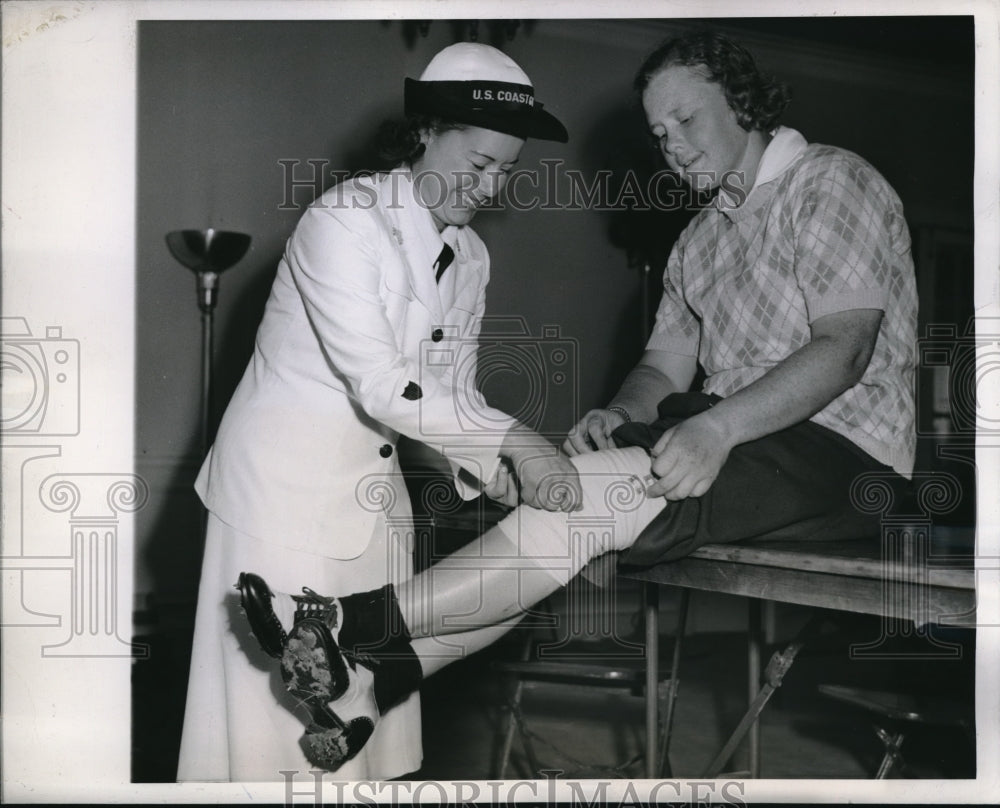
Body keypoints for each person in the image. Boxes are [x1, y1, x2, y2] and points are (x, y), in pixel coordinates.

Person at [234, 29, 918, 771]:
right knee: (562, 512)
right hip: (748, 445)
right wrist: (621, 416)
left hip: (847, 454)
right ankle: (373, 683)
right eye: (659, 133)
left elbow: (845, 348)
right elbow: (662, 365)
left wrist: (716, 429)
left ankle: (343, 623)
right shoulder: (698, 239)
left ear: (743, 103)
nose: (672, 145)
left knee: (584, 502)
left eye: (687, 120)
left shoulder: (830, 180)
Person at [176, 42, 577, 782]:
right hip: (282, 501)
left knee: (358, 735)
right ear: (426, 131)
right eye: (479, 163)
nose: (489, 187)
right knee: (272, 744)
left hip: (376, 512)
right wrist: (517, 442)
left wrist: (497, 475)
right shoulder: (345, 220)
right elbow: (382, 383)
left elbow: (452, 395)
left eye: (506, 173)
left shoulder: (473, 258)